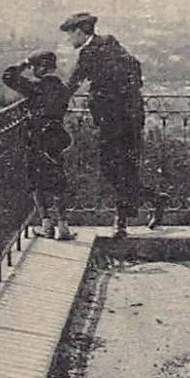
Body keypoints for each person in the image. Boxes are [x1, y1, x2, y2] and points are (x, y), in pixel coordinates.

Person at [62, 12, 164, 238]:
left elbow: (73, 83)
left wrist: (56, 103)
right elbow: (134, 72)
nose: (69, 40)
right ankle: (151, 200)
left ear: (79, 31)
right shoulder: (109, 43)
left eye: (69, 34)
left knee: (115, 168)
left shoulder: (92, 50)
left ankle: (122, 221)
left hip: (117, 120)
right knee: (120, 168)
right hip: (127, 117)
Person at [1, 51, 74, 241]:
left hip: (36, 140)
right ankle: (63, 226)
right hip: (56, 139)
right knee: (58, 181)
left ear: (41, 68)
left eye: (34, 67)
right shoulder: (63, 89)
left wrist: (25, 62)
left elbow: (7, 76)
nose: (32, 71)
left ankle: (46, 224)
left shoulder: (35, 88)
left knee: (35, 181)